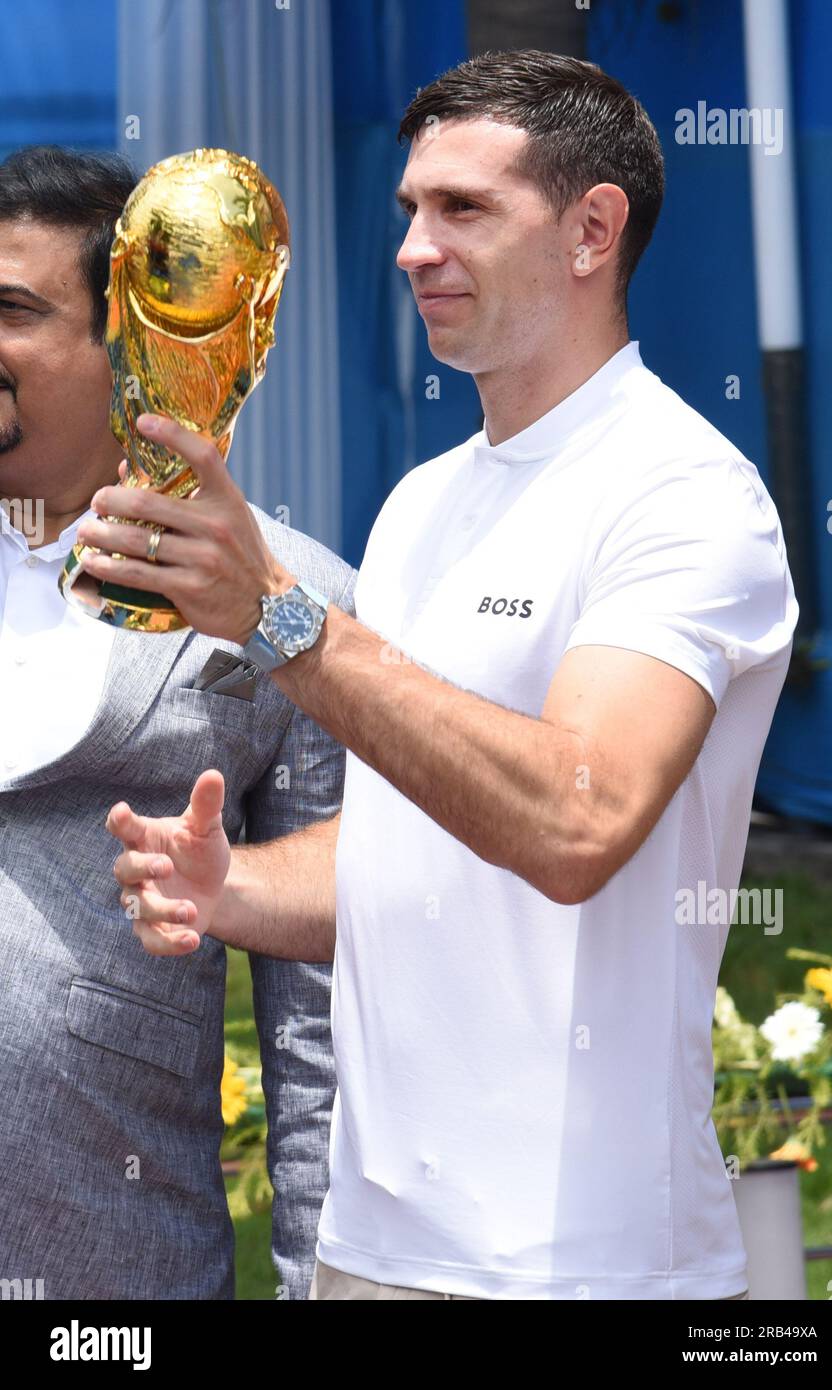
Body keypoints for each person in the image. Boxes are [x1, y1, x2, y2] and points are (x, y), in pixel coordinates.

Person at [94, 52, 798, 1300]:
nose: (414, 248)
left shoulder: (690, 494)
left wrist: (281, 617)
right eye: (410, 209)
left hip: (587, 1270)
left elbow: (577, 817)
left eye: (463, 209)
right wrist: (233, 884)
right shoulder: (425, 502)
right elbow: (414, 846)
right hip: (367, 1256)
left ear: (593, 229)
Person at [0, 145, 354, 1300]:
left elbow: (318, 1033)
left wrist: (316, 1284)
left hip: (116, 1275)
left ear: (127, 343)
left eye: (11, 312)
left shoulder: (291, 602)